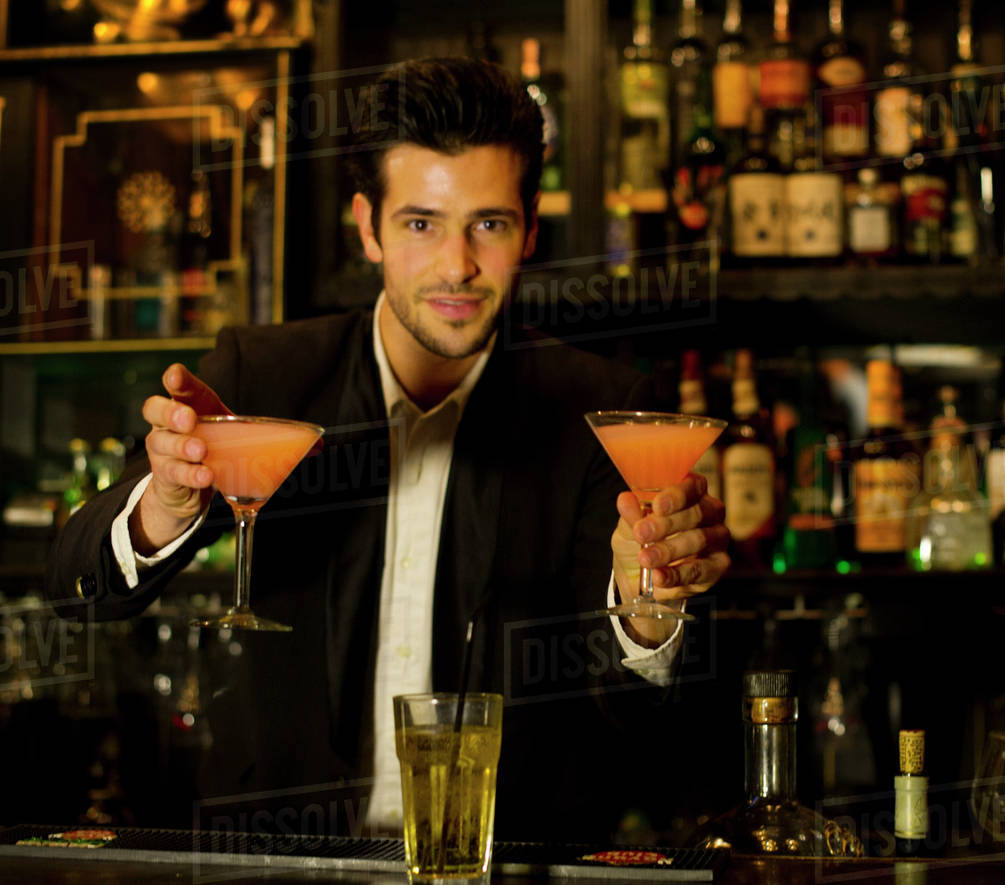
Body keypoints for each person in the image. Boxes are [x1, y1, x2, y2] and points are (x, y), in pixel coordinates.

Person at [47, 57, 730, 840]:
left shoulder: (595, 411)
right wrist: (163, 508)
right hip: (275, 863)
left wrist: (648, 605)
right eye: (420, 223)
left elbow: (644, 720)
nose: (457, 265)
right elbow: (76, 590)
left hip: (507, 865)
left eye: (489, 223)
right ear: (367, 226)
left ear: (531, 229)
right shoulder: (261, 375)